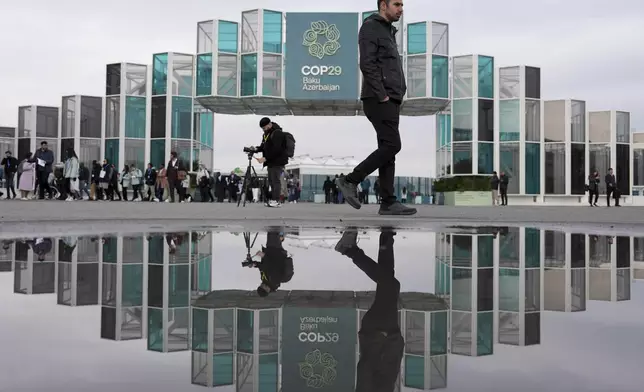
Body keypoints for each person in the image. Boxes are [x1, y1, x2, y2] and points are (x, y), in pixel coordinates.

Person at [335, 1, 414, 216]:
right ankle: (350, 180)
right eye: (396, 4)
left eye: (402, 5)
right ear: (383, 5)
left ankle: (388, 202)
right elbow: (367, 63)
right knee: (392, 145)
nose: (401, 9)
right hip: (379, 98)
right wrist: (382, 94)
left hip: (391, 97)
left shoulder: (387, 31)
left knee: (387, 151)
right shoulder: (371, 27)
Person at [335, 228, 403, 392]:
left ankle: (349, 250)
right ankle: (386, 240)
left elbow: (364, 369)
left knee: (391, 285)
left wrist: (382, 339)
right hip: (390, 333)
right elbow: (392, 369)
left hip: (377, 332)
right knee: (387, 279)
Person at [255, 117, 288, 208]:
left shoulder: (277, 133)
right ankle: (273, 199)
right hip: (271, 161)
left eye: (265, 128)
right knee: (271, 181)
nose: (264, 130)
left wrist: (265, 158)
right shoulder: (266, 134)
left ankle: (276, 200)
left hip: (278, 161)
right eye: (263, 129)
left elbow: (277, 150)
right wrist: (255, 149)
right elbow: (263, 146)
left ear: (270, 124)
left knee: (276, 181)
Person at [249, 229, 293, 297]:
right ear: (267, 290)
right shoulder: (274, 281)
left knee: (272, 235)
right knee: (273, 232)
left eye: (260, 285)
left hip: (271, 252)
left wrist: (255, 264)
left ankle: (280, 236)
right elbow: (272, 265)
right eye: (262, 286)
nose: (262, 284)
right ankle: (280, 231)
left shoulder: (264, 280)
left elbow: (263, 267)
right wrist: (264, 256)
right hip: (277, 254)